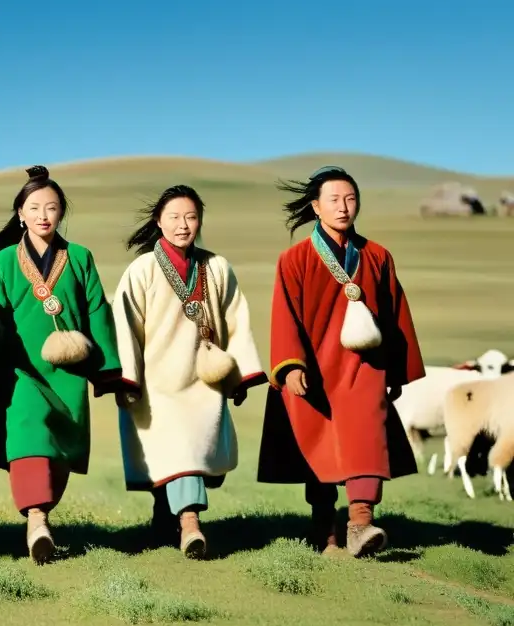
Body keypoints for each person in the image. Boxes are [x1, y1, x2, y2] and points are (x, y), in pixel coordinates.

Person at [0, 166, 123, 563]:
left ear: (62, 212)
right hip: (21, 374)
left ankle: (42, 513)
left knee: (59, 451)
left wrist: (107, 370)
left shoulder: (80, 258)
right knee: (30, 436)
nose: (44, 215)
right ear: (20, 214)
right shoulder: (2, 264)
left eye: (52, 207)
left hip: (68, 374)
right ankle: (37, 522)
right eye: (35, 207)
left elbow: (98, 311)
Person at [256, 166, 425, 557]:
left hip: (364, 368)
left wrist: (396, 370)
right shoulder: (294, 259)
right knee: (319, 445)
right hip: (314, 368)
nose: (344, 207)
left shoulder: (378, 256)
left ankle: (361, 523)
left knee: (365, 436)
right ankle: (324, 529)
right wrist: (290, 365)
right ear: (316, 207)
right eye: (334, 200)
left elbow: (395, 313)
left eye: (351, 199)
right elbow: (285, 314)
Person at [110, 185, 266, 558]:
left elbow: (236, 320)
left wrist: (238, 374)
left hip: (203, 384)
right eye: (174, 217)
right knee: (177, 454)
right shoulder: (143, 269)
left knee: (189, 457)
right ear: (158, 221)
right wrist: (127, 377)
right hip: (158, 385)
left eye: (191, 217)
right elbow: (125, 325)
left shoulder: (216, 267)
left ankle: (163, 519)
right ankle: (190, 527)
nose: (183, 225)